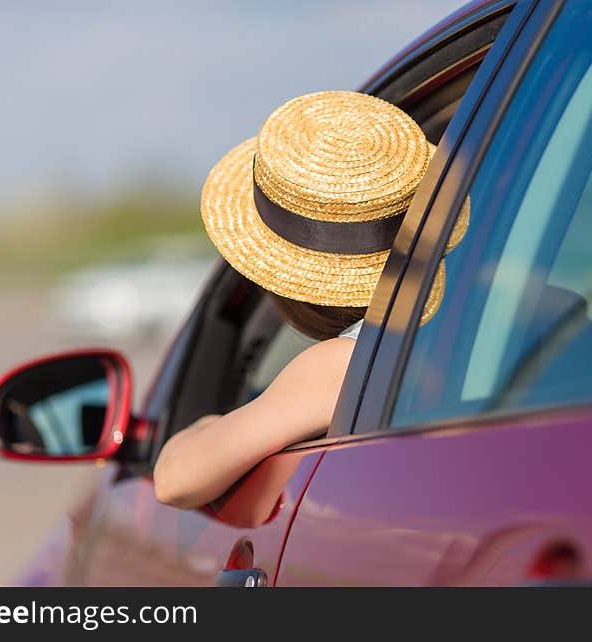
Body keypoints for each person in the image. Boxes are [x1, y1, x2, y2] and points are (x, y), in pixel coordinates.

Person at [153, 90, 450, 509]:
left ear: (285, 283)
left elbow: (175, 481)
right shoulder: (511, 308)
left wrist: (208, 424)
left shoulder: (345, 362)